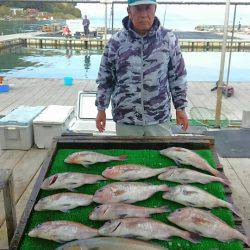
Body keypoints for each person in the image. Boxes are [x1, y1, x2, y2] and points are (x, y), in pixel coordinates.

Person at [95, 0, 188, 136]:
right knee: (128, 156)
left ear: (154, 9)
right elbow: (105, 79)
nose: (143, 14)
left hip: (158, 118)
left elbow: (178, 76)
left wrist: (180, 108)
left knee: (158, 156)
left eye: (148, 8)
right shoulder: (115, 42)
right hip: (125, 119)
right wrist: (101, 108)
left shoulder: (168, 39)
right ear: (129, 11)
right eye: (138, 9)